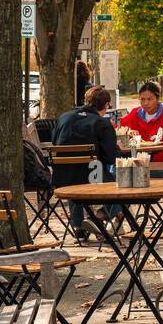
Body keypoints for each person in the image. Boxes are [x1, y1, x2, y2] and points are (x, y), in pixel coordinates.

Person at [52, 86, 122, 244]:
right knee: (121, 189)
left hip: (62, 177)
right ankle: (97, 217)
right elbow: (110, 158)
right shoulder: (102, 123)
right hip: (92, 175)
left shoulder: (64, 117)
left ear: (86, 100)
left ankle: (78, 227)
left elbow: (56, 143)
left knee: (74, 175)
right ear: (106, 106)